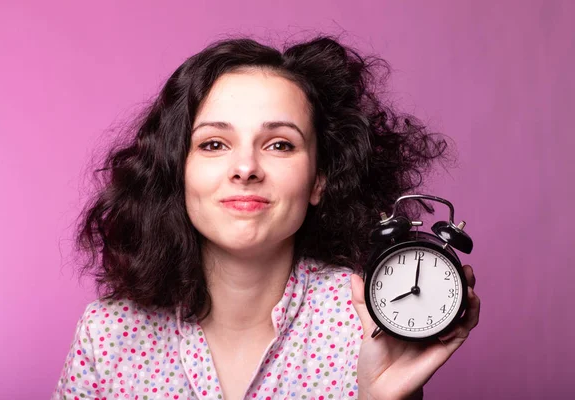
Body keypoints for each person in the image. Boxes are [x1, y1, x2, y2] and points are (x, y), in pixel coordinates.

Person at [52, 35, 480, 400]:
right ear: (176, 171)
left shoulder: (372, 323)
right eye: (214, 144)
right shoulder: (109, 335)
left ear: (319, 180)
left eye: (279, 145)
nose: (246, 168)